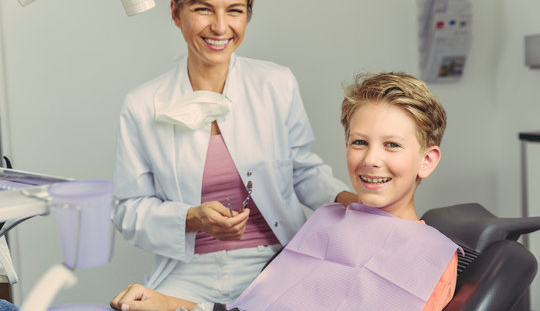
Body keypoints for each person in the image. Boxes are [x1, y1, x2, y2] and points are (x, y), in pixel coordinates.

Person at [112, 0, 355, 305]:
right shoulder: (142, 104)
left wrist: (352, 201)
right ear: (176, 13)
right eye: (203, 8)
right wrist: (192, 218)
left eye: (235, 11)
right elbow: (128, 210)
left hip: (273, 263)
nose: (220, 26)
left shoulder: (276, 84)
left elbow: (303, 173)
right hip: (187, 271)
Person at [109, 72, 461, 311]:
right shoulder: (327, 222)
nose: (371, 159)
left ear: (427, 161)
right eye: (359, 142)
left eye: (392, 145)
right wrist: (171, 304)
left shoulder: (431, 259)